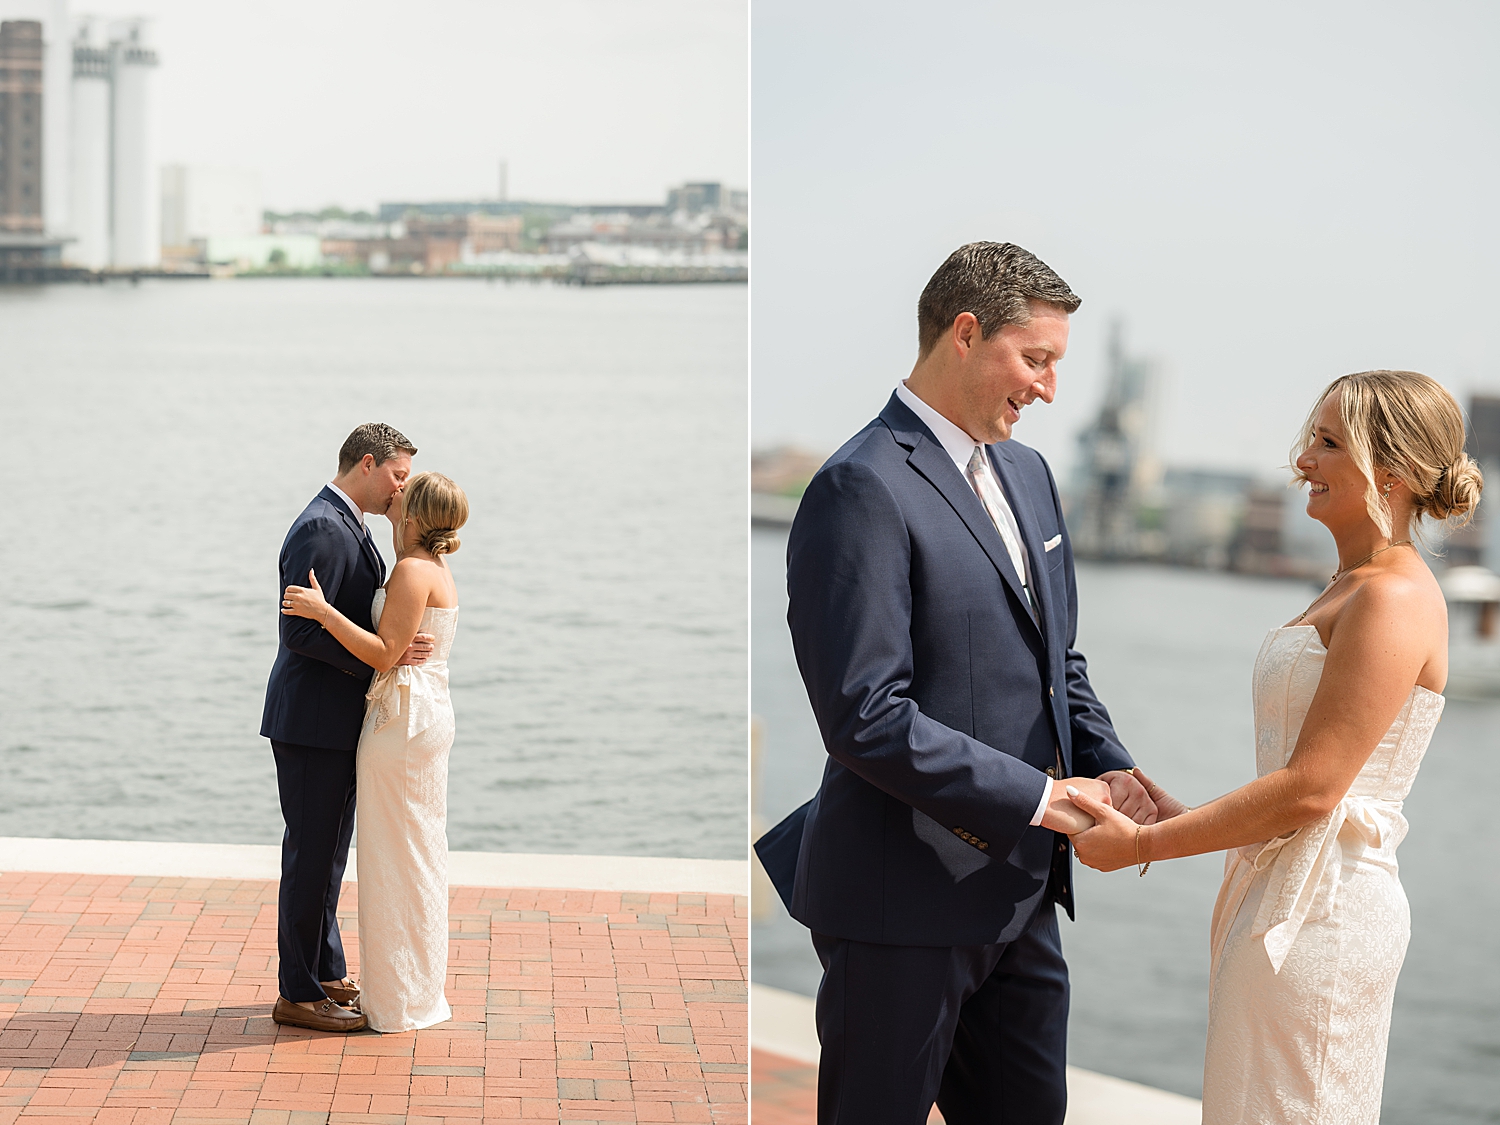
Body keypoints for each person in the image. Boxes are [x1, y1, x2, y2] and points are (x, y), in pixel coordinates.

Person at [754, 242, 1159, 1125]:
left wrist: (1111, 763)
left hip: (1022, 899)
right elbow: (864, 716)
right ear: (967, 334)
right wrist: (1044, 799)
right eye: (1037, 359)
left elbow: (1061, 663)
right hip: (900, 902)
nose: (1049, 388)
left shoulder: (1030, 474)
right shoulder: (859, 485)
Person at [1066, 370, 1482, 1124]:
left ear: (1391, 472)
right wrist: (1188, 814)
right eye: (1310, 440)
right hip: (1278, 898)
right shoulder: (1350, 584)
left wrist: (1145, 844)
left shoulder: (1392, 596)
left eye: (1327, 443)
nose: (1302, 461)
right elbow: (1304, 789)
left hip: (1324, 917)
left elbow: (1314, 789)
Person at [261, 423, 432, 1033]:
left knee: (329, 855)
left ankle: (326, 971)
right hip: (310, 721)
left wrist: (386, 646)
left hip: (335, 718)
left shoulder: (351, 523)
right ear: (367, 463)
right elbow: (299, 630)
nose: (401, 490)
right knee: (310, 857)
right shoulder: (321, 527)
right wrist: (379, 653)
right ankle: (298, 993)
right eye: (398, 476)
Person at [282, 470, 467, 1032]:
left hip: (403, 718)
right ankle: (391, 981)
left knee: (396, 855)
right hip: (418, 711)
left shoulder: (412, 570)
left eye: (405, 491)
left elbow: (386, 654)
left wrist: (322, 611)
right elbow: (394, 644)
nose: (396, 493)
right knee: (408, 849)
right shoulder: (429, 567)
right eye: (398, 478)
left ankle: (399, 989)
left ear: (412, 516)